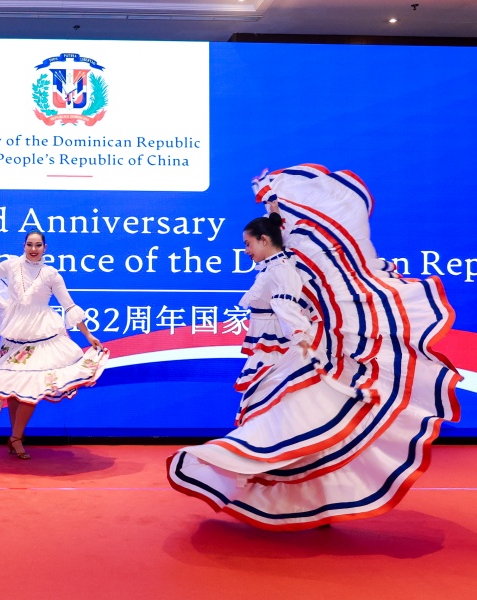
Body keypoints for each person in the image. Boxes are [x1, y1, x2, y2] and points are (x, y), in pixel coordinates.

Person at [166, 164, 461, 530]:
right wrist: (272, 202)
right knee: (294, 425)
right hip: (276, 354)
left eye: (248, 244)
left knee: (287, 422)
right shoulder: (280, 262)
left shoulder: (280, 269)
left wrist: (304, 341)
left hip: (290, 355)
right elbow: (283, 242)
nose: (245, 250)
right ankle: (304, 495)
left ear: (262, 240)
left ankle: (236, 463)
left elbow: (287, 306)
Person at [0, 228, 109, 459]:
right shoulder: (11, 265)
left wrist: (88, 336)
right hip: (14, 332)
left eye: (38, 245)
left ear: (45, 248)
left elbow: (68, 305)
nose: (34, 249)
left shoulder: (51, 274)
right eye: (30, 244)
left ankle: (16, 437)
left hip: (42, 333)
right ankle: (15, 436)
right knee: (14, 386)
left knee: (31, 387)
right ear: (24, 245)